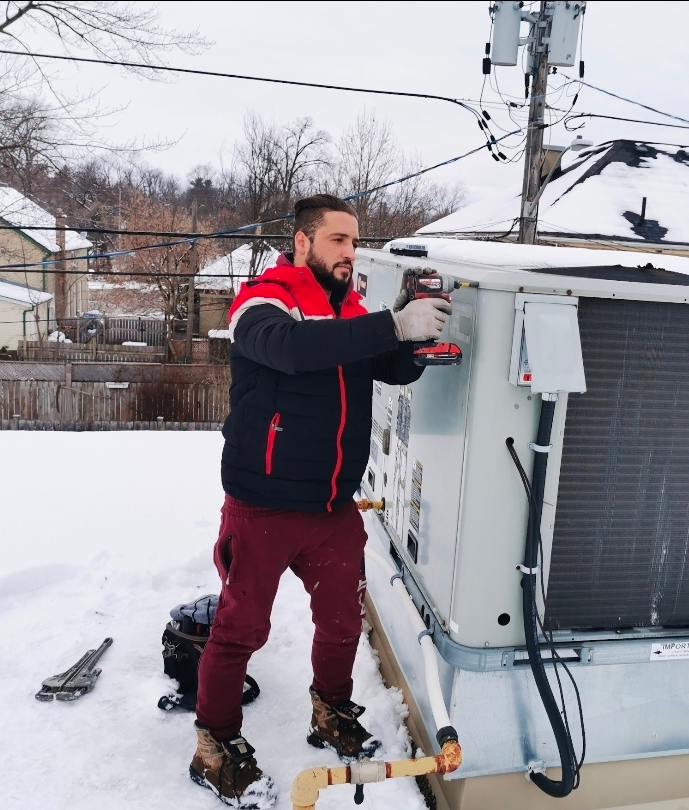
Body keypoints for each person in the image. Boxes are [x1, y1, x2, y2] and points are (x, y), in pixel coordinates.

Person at [188, 194, 452, 808]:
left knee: (340, 622)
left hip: (332, 506)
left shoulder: (352, 308)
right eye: (338, 240)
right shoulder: (264, 300)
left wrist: (418, 339)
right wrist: (390, 324)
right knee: (240, 629)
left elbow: (386, 367)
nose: (349, 253)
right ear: (303, 242)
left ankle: (330, 710)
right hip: (262, 505)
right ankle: (214, 744)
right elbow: (293, 350)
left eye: (354, 242)